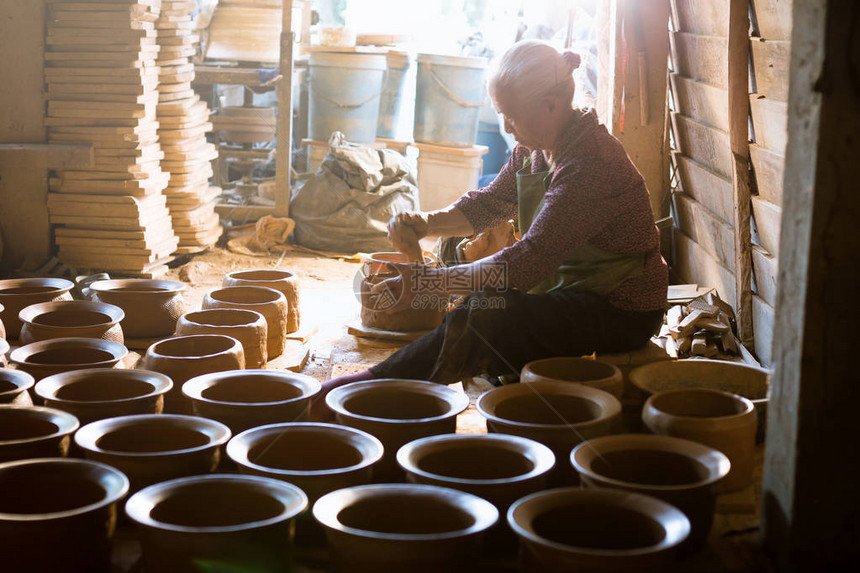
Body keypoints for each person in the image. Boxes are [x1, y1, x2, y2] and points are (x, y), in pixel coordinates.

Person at [319, 40, 667, 398]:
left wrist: (428, 284)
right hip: (578, 289)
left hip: (621, 309)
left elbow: (528, 262)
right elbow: (491, 203)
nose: (505, 126)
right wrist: (427, 223)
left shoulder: (590, 163)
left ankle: (368, 388)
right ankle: (418, 379)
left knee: (488, 314)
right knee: (481, 293)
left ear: (551, 105)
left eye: (510, 115)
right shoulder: (536, 149)